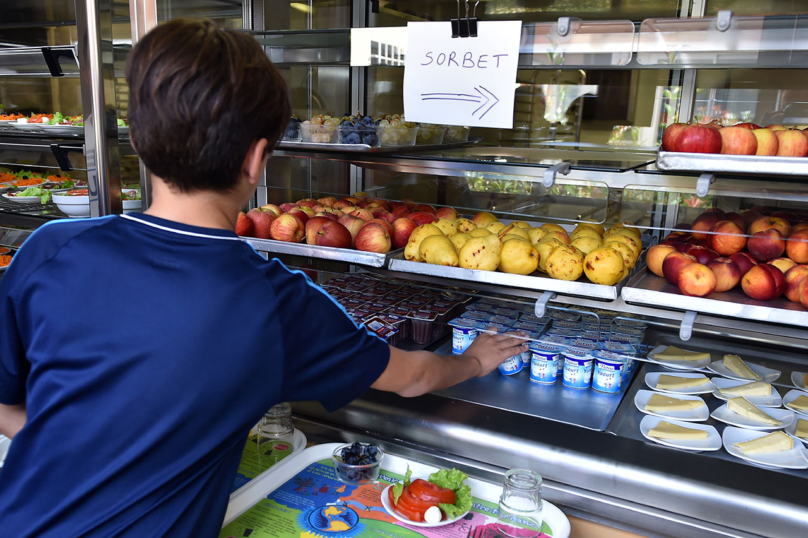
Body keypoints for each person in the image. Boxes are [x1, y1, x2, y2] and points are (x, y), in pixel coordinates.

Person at [0, 19, 526, 537]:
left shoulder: (50, 247)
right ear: (257, 158)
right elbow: (414, 378)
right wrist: (474, 360)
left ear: (137, 137)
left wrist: (75, 453)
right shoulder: (273, 302)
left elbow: (6, 402)